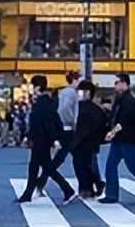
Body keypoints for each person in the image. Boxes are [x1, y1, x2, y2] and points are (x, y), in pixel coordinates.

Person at [17, 75, 76, 204]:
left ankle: (67, 190)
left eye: (32, 85)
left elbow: (46, 122)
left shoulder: (41, 103)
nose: (30, 88)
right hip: (41, 139)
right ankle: (28, 194)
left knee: (44, 167)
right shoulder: (45, 102)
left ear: (37, 87)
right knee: (38, 167)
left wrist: (54, 138)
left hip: (42, 140)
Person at [100, 73, 135, 203]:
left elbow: (124, 121)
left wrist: (112, 133)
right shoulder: (122, 99)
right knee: (113, 165)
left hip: (128, 138)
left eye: (118, 83)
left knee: (132, 166)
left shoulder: (128, 101)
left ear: (125, 84)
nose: (116, 86)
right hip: (122, 139)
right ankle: (111, 194)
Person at [38, 71, 80, 194]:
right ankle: (43, 180)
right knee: (62, 158)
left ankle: (41, 181)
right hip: (68, 128)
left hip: (66, 128)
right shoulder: (70, 92)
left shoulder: (66, 92)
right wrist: (72, 122)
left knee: (67, 157)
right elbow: (65, 109)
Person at [71, 81, 108, 198]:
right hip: (90, 142)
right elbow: (102, 126)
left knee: (81, 165)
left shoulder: (78, 108)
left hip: (80, 141)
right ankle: (91, 186)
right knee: (88, 165)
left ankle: (87, 187)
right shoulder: (97, 110)